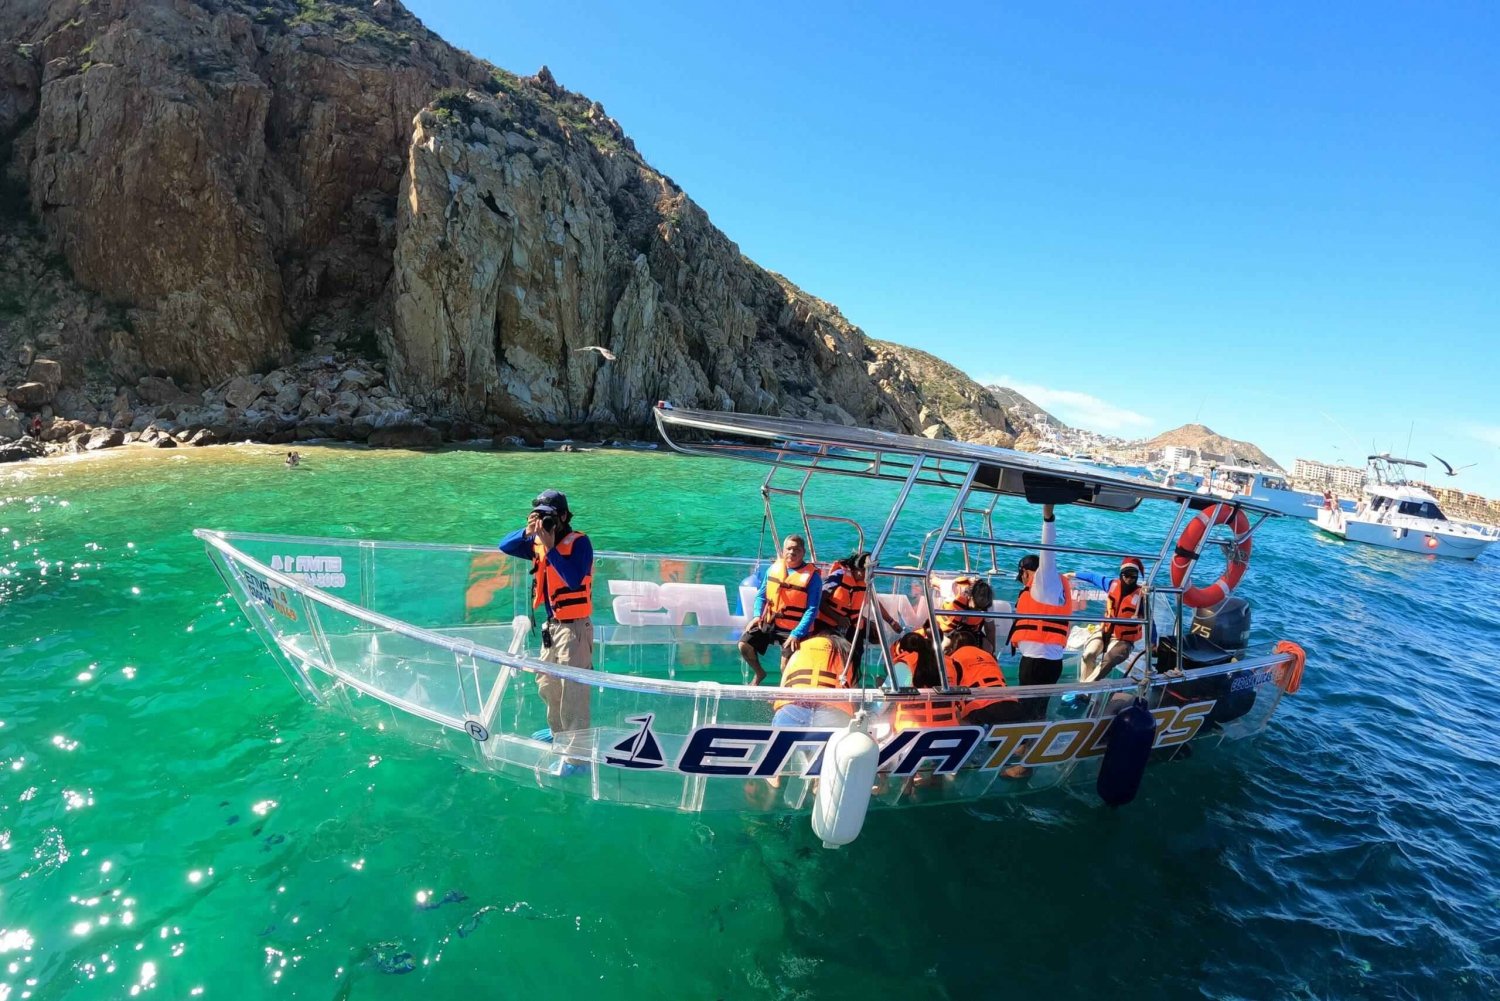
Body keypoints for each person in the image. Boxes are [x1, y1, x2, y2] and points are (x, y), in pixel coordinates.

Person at [499, 488, 594, 773]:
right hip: (551, 628)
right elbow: (505, 545)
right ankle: (558, 735)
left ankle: (576, 759)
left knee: (573, 695)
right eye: (539, 515)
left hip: (574, 630)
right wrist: (528, 532)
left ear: (564, 516)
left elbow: (574, 578)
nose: (544, 522)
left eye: (549, 516)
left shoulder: (579, 543)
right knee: (547, 686)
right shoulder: (537, 543)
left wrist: (551, 548)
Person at [1006, 503, 1069, 722]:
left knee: (1026, 710)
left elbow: (1048, 550)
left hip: (1037, 660)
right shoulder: (1054, 587)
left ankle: (1022, 747)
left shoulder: (1044, 581)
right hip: (1050, 660)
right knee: (1037, 709)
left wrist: (1047, 517)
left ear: (1025, 571)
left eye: (1021, 575)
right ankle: (1031, 746)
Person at [739, 534, 822, 685]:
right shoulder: (773, 569)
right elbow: (761, 596)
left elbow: (812, 609)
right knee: (744, 645)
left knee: (785, 665)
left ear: (803, 552)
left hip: (794, 628)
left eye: (796, 549)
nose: (792, 552)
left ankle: (784, 694)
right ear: (783, 551)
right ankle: (759, 673)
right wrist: (757, 616)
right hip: (770, 622)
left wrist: (797, 633)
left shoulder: (813, 577)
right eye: (789, 549)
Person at [816, 550, 902, 682]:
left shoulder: (865, 583)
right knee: (837, 652)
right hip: (829, 623)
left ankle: (853, 679)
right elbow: (819, 601)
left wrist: (891, 621)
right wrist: (837, 618)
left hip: (851, 624)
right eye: (869, 570)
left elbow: (875, 602)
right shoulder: (839, 576)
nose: (872, 574)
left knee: (861, 647)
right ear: (858, 569)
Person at [1074, 557, 1148, 682]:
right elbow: (1093, 577)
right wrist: (1073, 574)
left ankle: (1083, 691)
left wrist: (1152, 641)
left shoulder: (1141, 596)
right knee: (1088, 655)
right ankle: (1084, 690)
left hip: (1124, 640)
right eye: (1126, 575)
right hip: (1105, 631)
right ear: (1121, 574)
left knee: (1108, 659)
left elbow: (1150, 620)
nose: (1129, 579)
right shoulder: (1112, 585)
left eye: (1133, 576)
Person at [771, 626, 854, 729]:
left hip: (793, 706)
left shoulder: (800, 646)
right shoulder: (845, 652)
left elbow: (784, 671)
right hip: (833, 710)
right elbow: (852, 689)